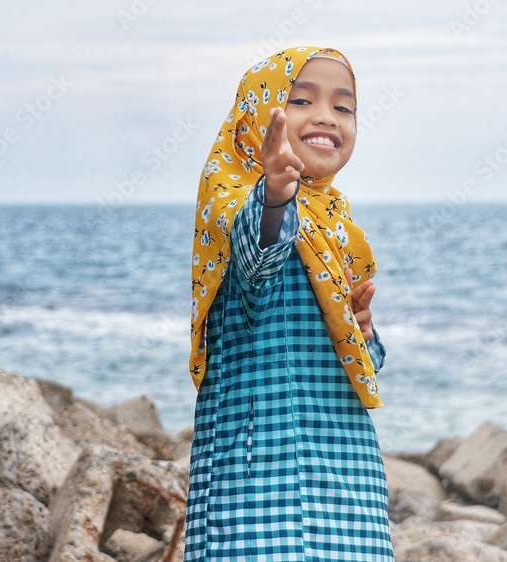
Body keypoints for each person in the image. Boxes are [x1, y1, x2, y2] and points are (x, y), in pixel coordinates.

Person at [184, 46, 394, 561]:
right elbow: (257, 259)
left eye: (344, 107)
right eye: (300, 100)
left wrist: (363, 331)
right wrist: (275, 196)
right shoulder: (237, 205)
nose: (326, 116)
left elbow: (361, 363)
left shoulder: (335, 225)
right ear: (257, 116)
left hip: (347, 468)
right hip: (259, 472)